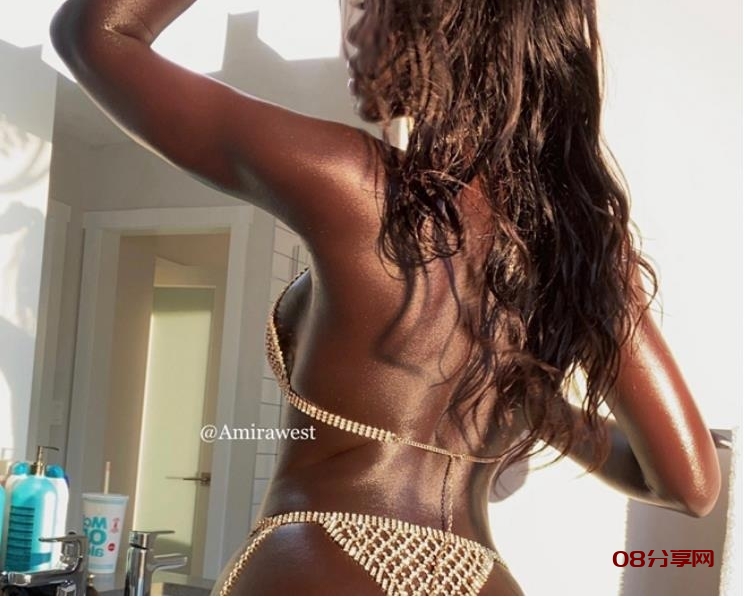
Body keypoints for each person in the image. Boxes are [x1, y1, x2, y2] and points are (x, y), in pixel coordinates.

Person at [50, 1, 722, 594]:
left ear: (444, 21)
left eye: (372, 5)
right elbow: (689, 484)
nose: (352, 30)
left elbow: (96, 36)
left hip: (319, 563)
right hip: (483, 578)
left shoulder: (356, 183)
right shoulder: (575, 243)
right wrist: (543, 410)